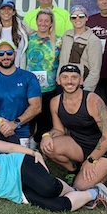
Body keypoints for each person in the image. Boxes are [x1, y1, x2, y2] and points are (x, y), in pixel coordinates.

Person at [40, 65, 107, 191]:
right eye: (65, 77)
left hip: (104, 150)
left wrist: (92, 160)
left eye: (74, 77)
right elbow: (59, 130)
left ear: (81, 80)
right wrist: (46, 136)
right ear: (58, 80)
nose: (69, 81)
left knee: (79, 188)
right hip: (79, 145)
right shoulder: (55, 102)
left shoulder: (93, 100)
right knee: (48, 147)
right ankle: (73, 169)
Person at [0, 38, 41, 146]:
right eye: (1, 53)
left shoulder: (29, 77)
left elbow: (36, 106)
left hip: (20, 129)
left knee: (19, 157)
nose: (5, 56)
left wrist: (15, 123)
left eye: (9, 53)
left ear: (15, 54)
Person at [24, 8, 61, 143]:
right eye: (41, 20)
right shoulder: (29, 39)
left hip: (49, 88)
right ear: (36, 22)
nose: (43, 24)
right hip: (30, 87)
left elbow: (62, 62)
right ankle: (28, 143)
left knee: (46, 121)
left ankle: (42, 145)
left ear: (51, 23)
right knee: (29, 118)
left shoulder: (59, 41)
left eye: (46, 21)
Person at [57, 4, 102, 93]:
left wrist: (87, 90)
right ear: (70, 19)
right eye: (74, 17)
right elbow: (62, 60)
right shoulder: (66, 35)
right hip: (63, 84)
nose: (77, 19)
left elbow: (95, 70)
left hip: (81, 86)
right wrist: (58, 79)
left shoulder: (93, 40)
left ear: (86, 18)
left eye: (81, 16)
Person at [0, 0, 30, 72]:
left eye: (9, 9)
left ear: (13, 12)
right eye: (3, 9)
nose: (6, 12)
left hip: (19, 72)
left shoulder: (23, 27)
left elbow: (38, 34)